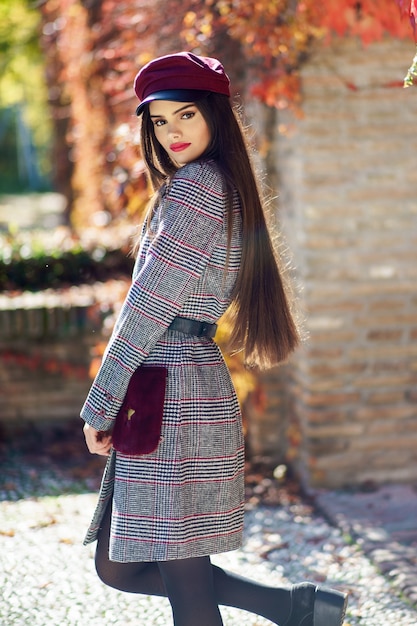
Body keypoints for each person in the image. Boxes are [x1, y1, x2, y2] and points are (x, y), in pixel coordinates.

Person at [81, 51, 348, 626]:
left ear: (215, 117)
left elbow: (148, 306)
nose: (171, 132)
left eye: (186, 116)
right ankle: (300, 609)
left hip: (173, 390)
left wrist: (100, 403)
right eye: (158, 121)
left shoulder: (197, 189)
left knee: (185, 588)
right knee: (120, 566)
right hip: (177, 384)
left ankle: (301, 609)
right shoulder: (209, 183)